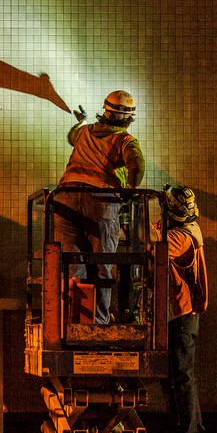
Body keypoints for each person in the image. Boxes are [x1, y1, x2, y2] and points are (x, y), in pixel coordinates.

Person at [54, 90, 145, 325]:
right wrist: (130, 192)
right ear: (128, 118)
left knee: (73, 264)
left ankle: (73, 320)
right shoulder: (125, 140)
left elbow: (72, 135)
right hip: (100, 202)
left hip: (65, 198)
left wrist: (82, 120)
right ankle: (99, 322)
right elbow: (137, 165)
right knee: (103, 264)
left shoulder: (84, 132)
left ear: (104, 110)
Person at [156, 184, 209, 433]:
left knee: (181, 378)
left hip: (181, 313)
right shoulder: (190, 230)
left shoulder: (181, 237)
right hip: (181, 314)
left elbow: (156, 248)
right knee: (179, 377)